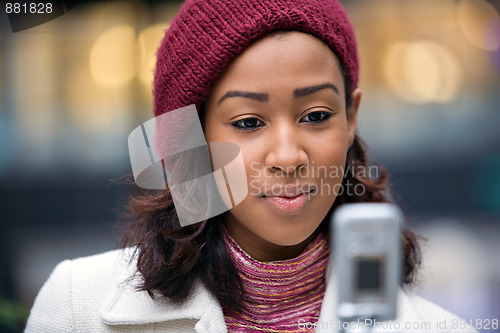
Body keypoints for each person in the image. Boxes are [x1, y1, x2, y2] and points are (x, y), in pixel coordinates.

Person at [25, 0, 477, 332]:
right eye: (248, 122)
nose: (286, 157)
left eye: (316, 116)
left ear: (351, 116)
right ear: (191, 139)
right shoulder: (75, 304)